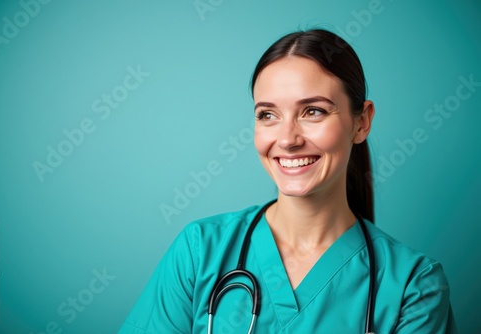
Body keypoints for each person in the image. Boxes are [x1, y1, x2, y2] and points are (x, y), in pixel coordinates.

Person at [119, 29, 457, 333]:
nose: (287, 139)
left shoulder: (414, 286)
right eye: (268, 115)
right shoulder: (200, 251)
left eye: (313, 111)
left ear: (361, 123)